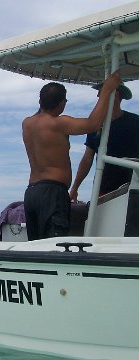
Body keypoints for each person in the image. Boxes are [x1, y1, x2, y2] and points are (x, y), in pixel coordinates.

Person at [22, 71, 120, 241]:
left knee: (35, 245)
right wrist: (106, 91)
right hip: (52, 193)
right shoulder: (59, 123)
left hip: (32, 192)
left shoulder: (27, 124)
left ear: (40, 101)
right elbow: (93, 124)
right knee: (55, 244)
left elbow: (43, 109)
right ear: (62, 103)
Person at [70, 82, 139, 200]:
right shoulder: (95, 126)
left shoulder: (135, 122)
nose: (97, 97)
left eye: (101, 93)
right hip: (103, 190)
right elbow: (87, 158)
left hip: (134, 189)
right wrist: (75, 188)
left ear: (116, 95)